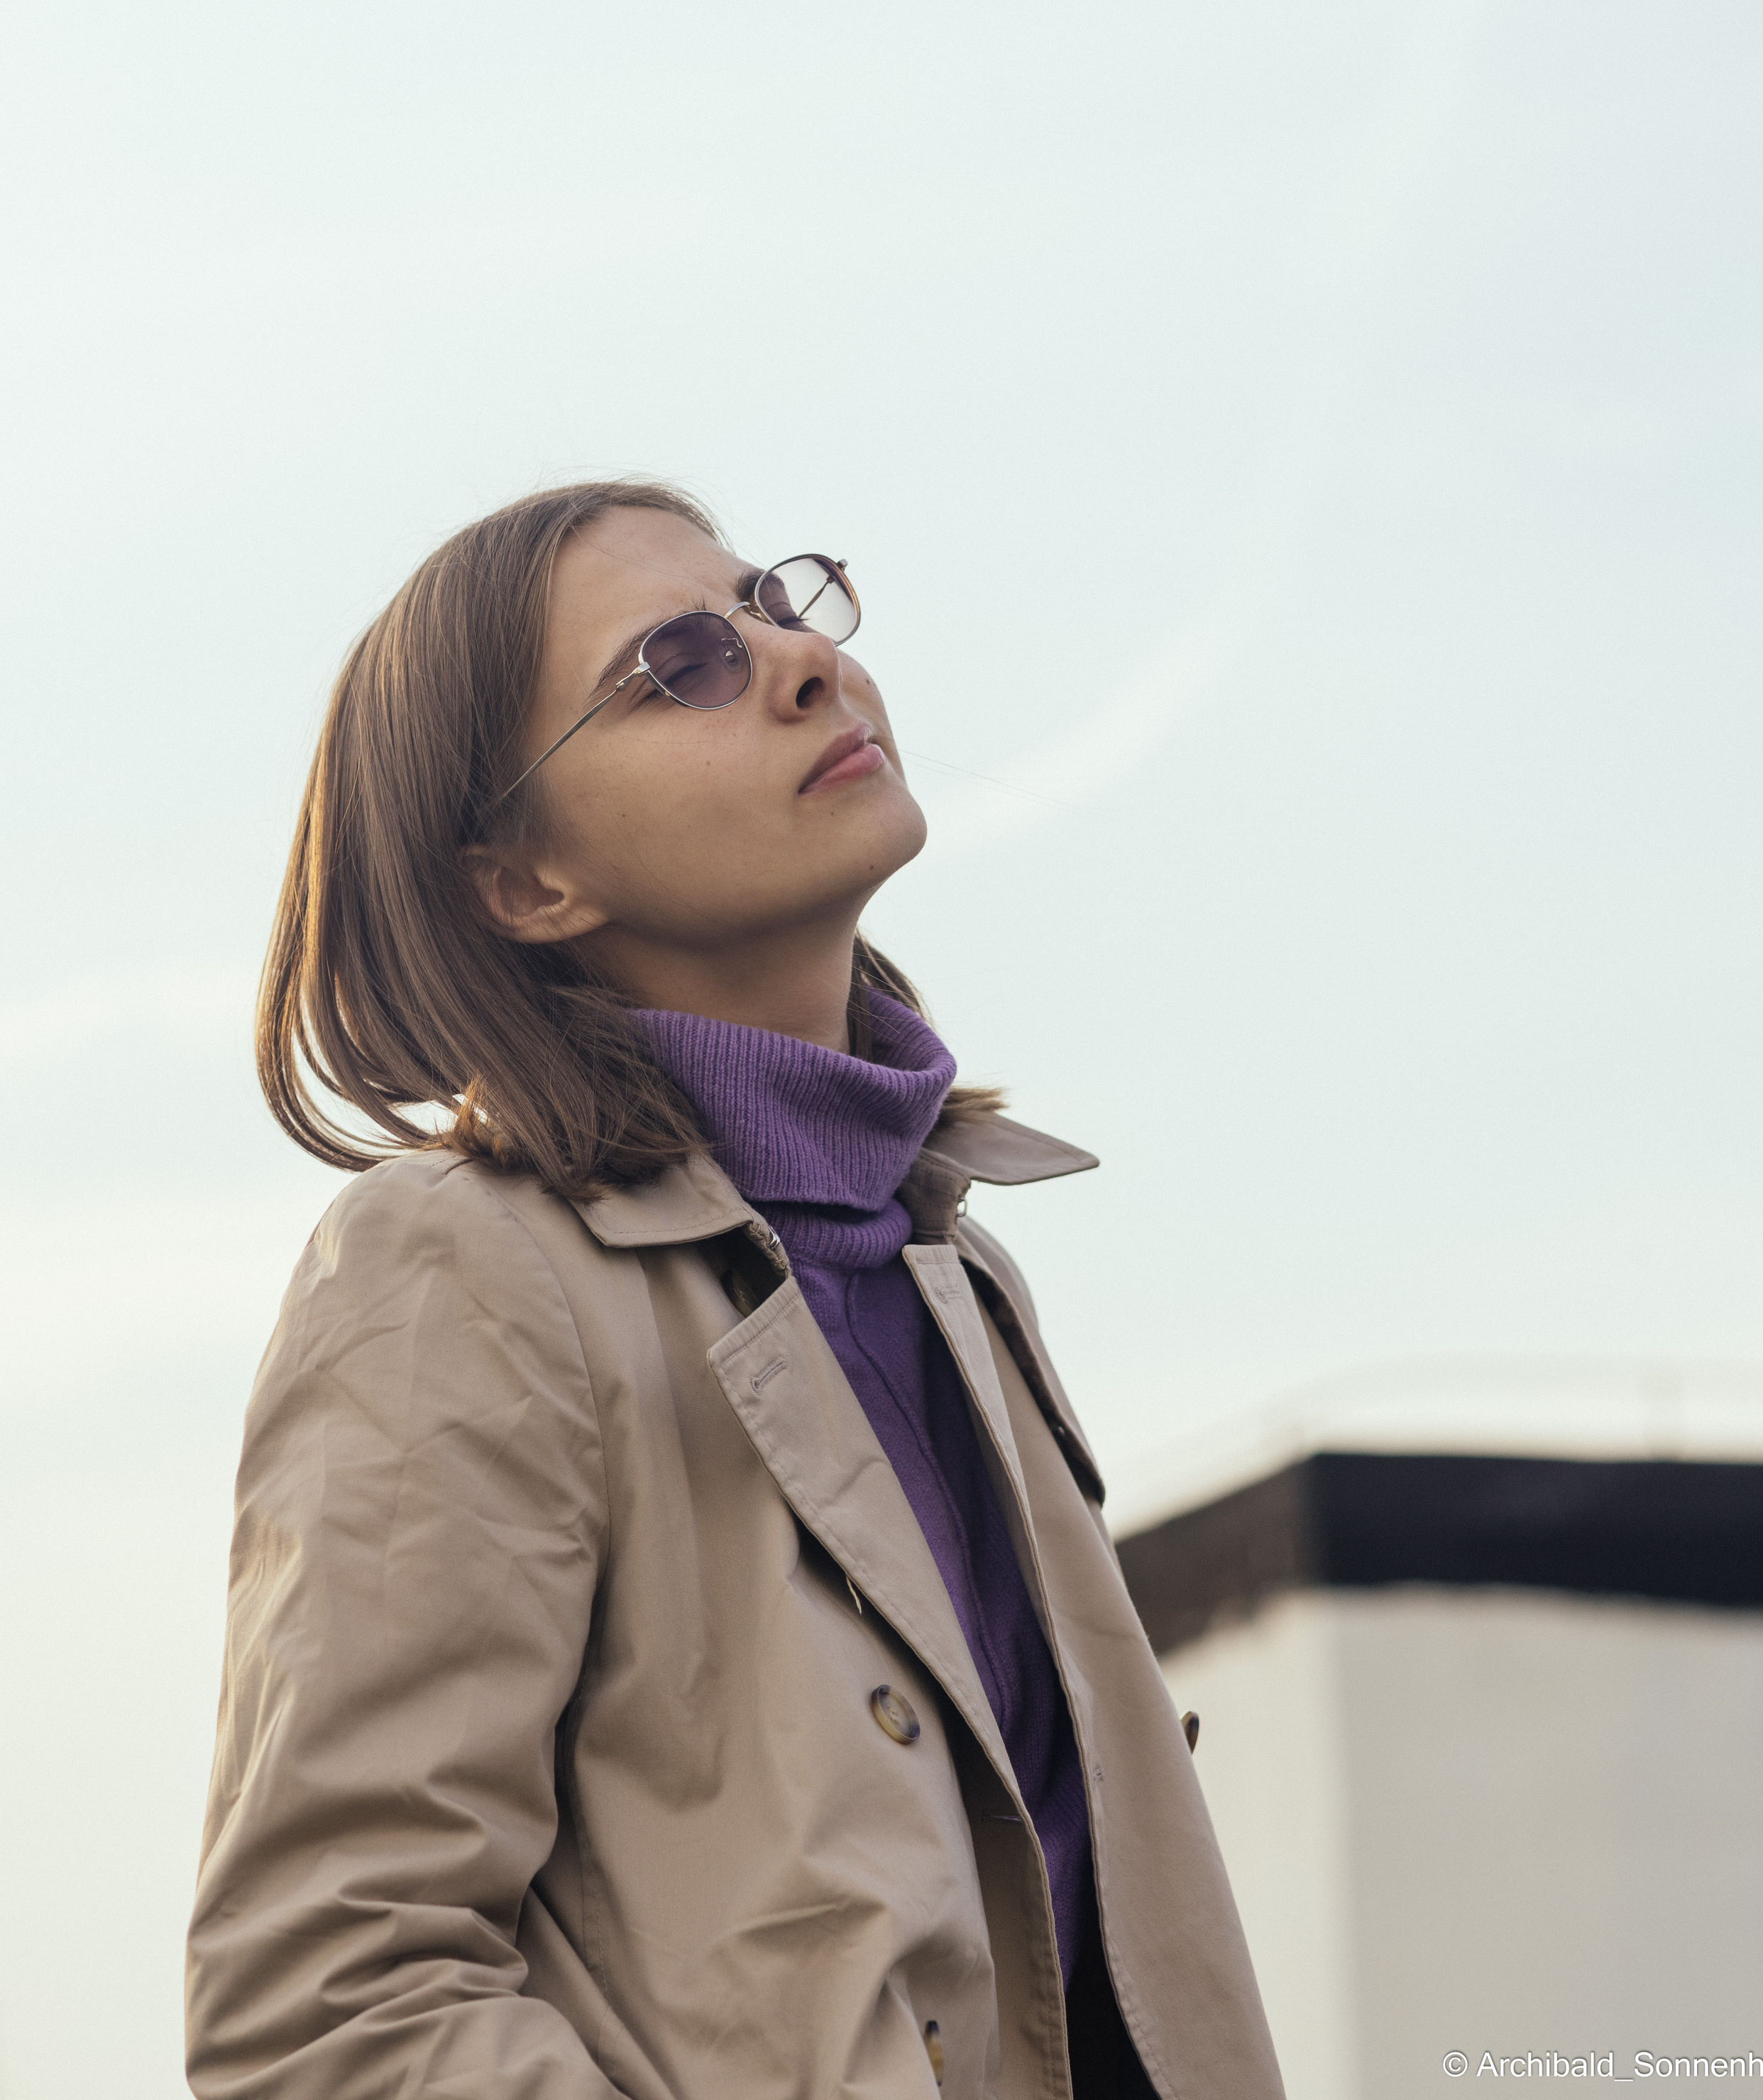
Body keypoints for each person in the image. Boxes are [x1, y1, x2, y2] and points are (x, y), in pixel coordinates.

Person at [185, 480, 1283, 2100]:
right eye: (678, 665)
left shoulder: (954, 1264)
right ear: (525, 883)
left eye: (771, 601)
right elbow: (329, 2002)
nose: (798, 660)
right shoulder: (461, 1265)